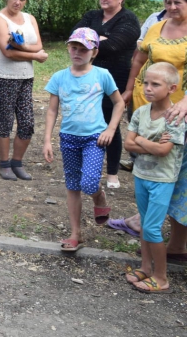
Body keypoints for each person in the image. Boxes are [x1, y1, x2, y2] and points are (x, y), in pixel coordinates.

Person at [109, 0, 187, 241]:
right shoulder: (156, 26)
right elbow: (139, 59)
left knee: (176, 172)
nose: (172, 7)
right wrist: (130, 89)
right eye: (168, 2)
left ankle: (174, 242)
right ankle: (142, 220)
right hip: (147, 104)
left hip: (179, 112)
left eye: (178, 2)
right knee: (146, 165)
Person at [42, 27, 125, 252]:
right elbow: (52, 111)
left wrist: (110, 129)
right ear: (68, 48)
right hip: (68, 137)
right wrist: (47, 140)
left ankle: (99, 198)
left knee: (88, 182)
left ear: (94, 52)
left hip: (94, 138)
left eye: (84, 49)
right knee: (72, 185)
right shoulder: (59, 77)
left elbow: (119, 103)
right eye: (74, 47)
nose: (77, 53)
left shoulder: (102, 75)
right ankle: (75, 234)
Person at [123, 62, 185, 293]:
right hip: (141, 175)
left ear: (171, 88)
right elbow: (129, 143)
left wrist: (140, 141)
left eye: (155, 84)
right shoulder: (140, 112)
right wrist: (145, 142)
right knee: (145, 227)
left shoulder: (175, 117)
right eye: (145, 83)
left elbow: (163, 151)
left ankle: (161, 277)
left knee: (151, 228)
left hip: (162, 180)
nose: (148, 88)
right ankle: (146, 268)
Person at [73, 0, 140, 188]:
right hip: (87, 76)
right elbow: (75, 37)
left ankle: (112, 173)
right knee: (85, 119)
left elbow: (112, 46)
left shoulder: (128, 19)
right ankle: (86, 165)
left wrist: (92, 39)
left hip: (115, 78)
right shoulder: (92, 15)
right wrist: (100, 39)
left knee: (111, 124)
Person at [0, 0, 48, 181]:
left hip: (25, 76)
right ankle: (4, 164)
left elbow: (38, 44)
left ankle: (17, 162)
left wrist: (20, 47)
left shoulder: (30, 19)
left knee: (27, 122)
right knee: (4, 121)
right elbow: (7, 52)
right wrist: (34, 55)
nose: (18, 2)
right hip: (2, 75)